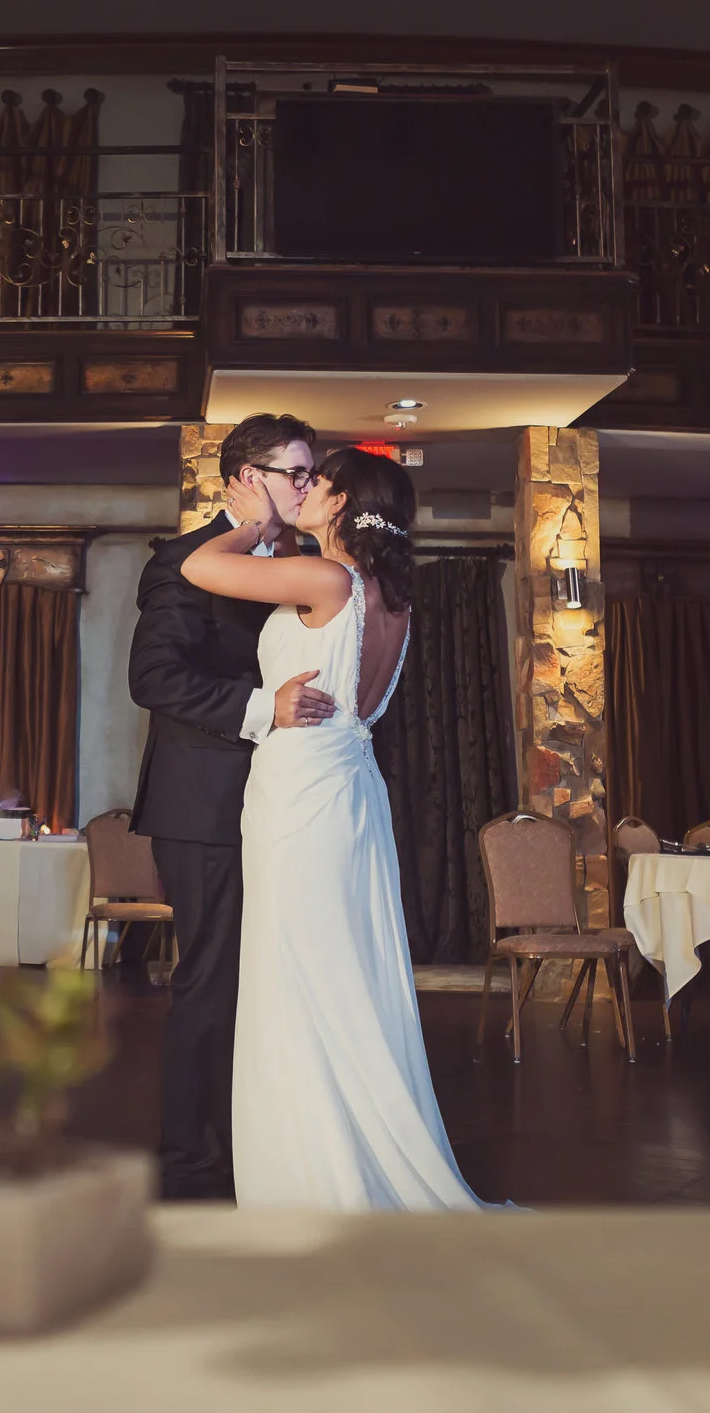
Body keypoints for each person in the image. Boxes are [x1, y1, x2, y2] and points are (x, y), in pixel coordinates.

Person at [180, 445, 485, 1210]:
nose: (305, 488)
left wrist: (253, 522)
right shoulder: (390, 599)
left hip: (301, 793)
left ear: (344, 501)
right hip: (350, 790)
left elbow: (198, 566)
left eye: (317, 482)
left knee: (295, 974)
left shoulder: (327, 579)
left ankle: (310, 1175)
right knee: (337, 971)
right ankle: (342, 1152)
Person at [127, 413, 334, 1200]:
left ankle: (257, 1137)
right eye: (296, 473)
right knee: (211, 980)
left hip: (282, 803)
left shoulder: (303, 561)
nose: (308, 485)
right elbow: (154, 678)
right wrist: (262, 709)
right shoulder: (184, 560)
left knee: (267, 979)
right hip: (204, 805)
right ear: (248, 478)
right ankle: (191, 1158)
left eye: (312, 474)